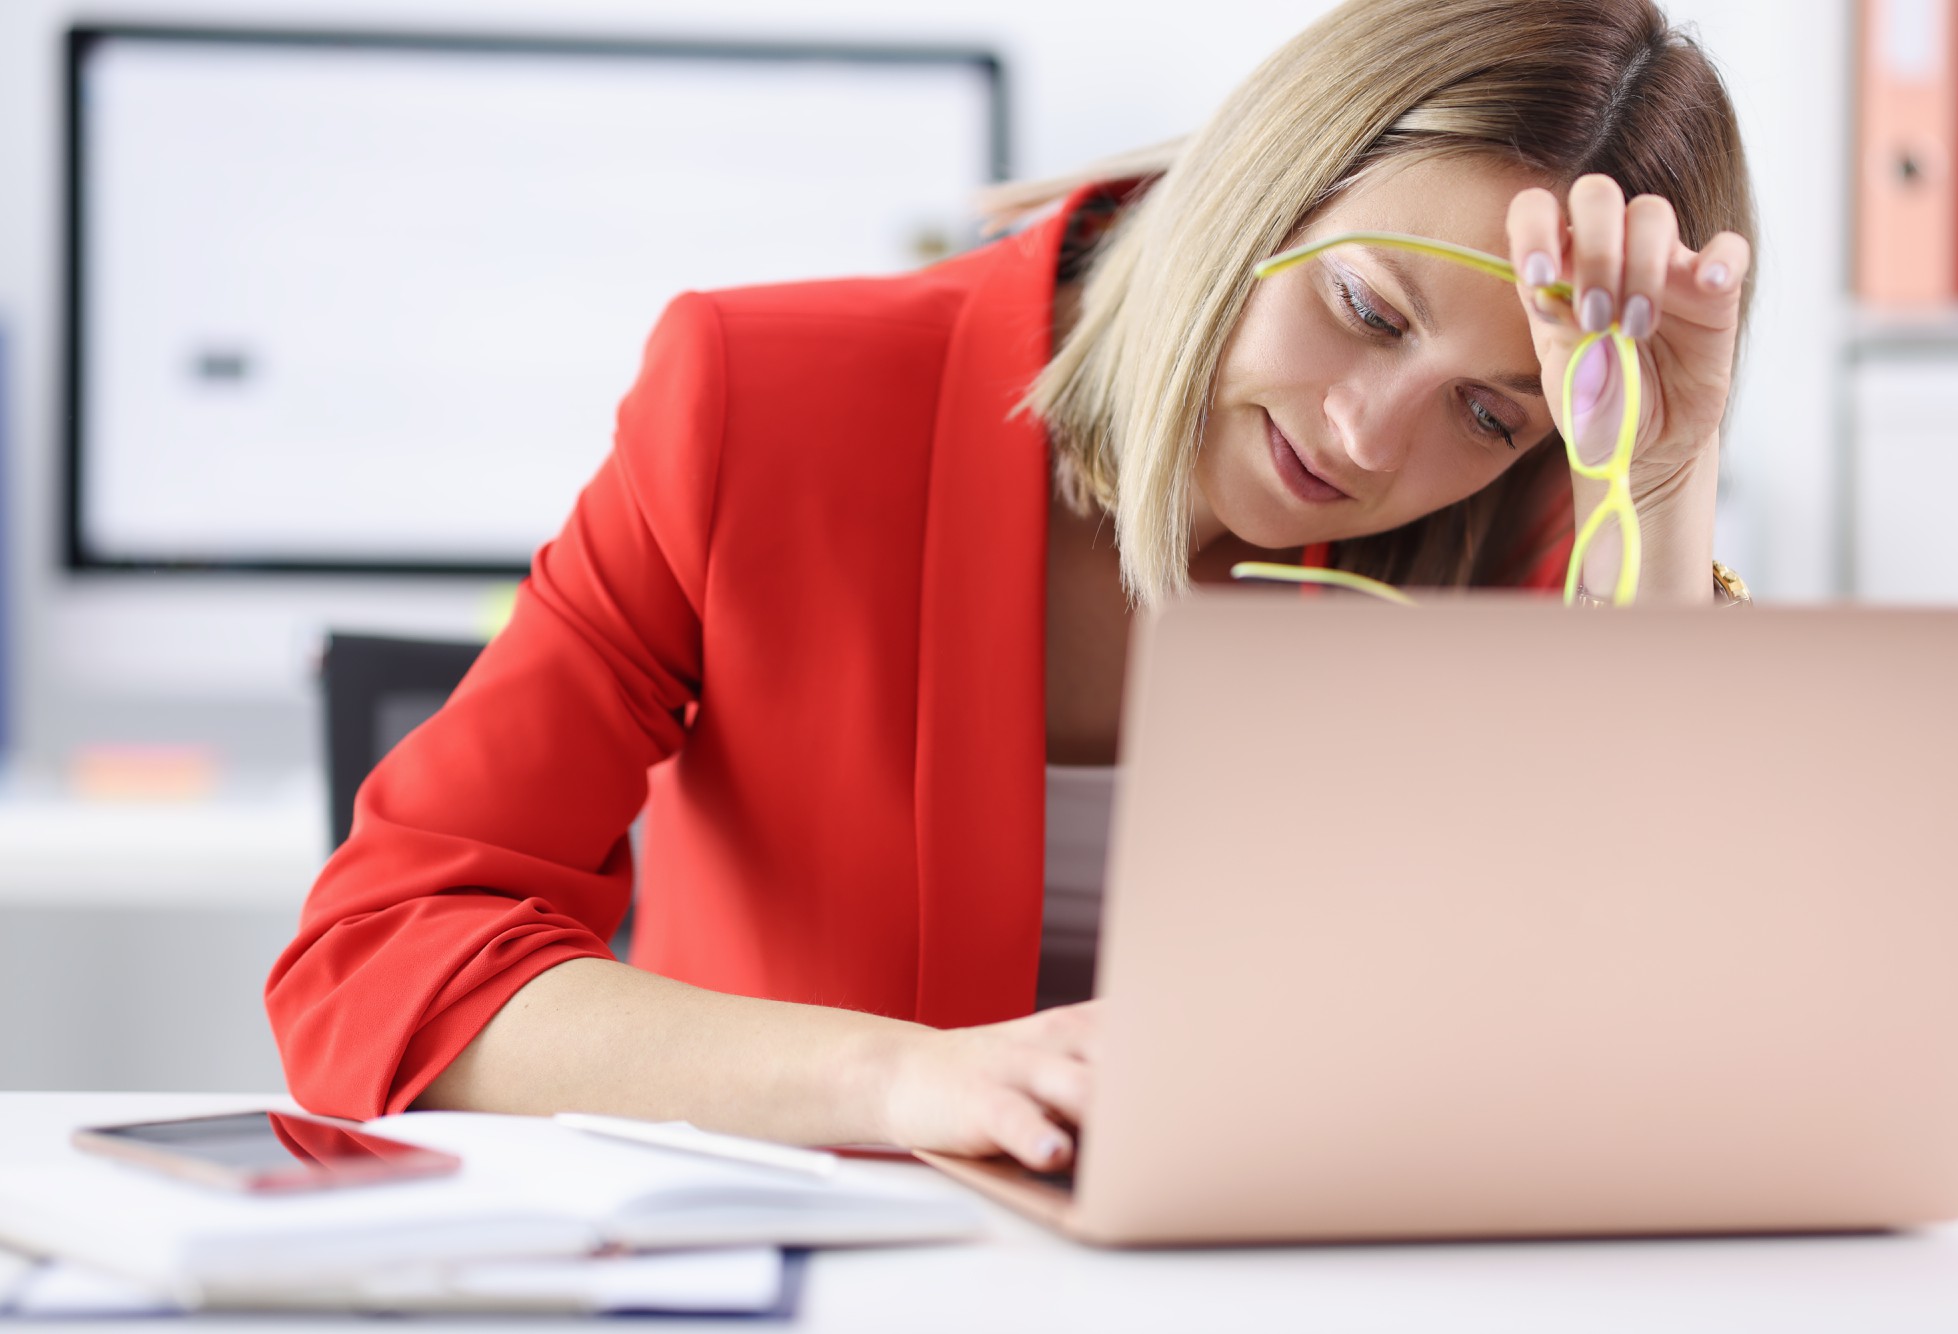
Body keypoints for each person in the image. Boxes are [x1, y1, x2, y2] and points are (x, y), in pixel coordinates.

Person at [267, 0, 1756, 1175]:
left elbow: (1681, 1038)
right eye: (1366, 309)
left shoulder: (1534, 522)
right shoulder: (764, 400)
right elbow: (380, 959)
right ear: (1261, 188)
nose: (1372, 439)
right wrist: (904, 1079)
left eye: (1487, 411)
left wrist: (1665, 482)